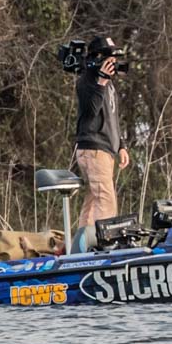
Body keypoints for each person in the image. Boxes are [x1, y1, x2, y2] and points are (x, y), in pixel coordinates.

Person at [74, 35, 130, 225]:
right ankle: (102, 246)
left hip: (106, 150)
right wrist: (101, 82)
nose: (113, 64)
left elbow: (111, 116)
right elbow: (91, 110)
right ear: (98, 59)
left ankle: (82, 247)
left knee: (92, 201)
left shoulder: (109, 85)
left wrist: (121, 145)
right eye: (109, 60)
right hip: (94, 149)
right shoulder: (88, 81)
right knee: (106, 201)